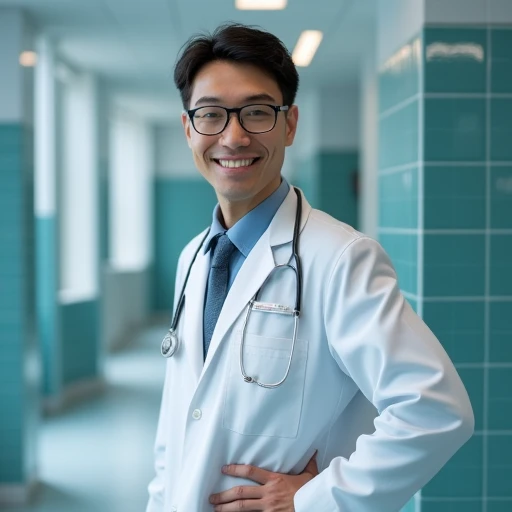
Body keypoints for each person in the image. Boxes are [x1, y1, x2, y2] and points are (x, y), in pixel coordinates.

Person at [147, 23, 474, 512]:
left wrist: (316, 499)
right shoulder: (193, 258)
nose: (234, 137)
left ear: (290, 124)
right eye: (211, 115)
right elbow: (175, 429)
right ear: (189, 129)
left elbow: (435, 410)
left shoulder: (340, 259)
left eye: (257, 113)